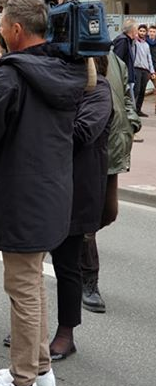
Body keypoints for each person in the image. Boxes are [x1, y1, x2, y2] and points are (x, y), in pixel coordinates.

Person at [0, 0, 87, 386]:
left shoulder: (12, 74)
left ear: (14, 29)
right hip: (51, 193)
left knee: (23, 288)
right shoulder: (67, 69)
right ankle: (40, 367)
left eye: (1, 26)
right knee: (32, 284)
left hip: (22, 197)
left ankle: (24, 377)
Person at [49, 56, 112, 361]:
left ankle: (66, 333)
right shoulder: (56, 85)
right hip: (44, 185)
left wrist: (42, 122)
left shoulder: (99, 90)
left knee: (67, 265)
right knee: (29, 265)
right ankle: (30, 326)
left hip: (77, 191)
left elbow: (83, 132)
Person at [81, 51, 141, 314]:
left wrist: (132, 120)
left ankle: (69, 245)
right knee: (88, 219)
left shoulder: (115, 59)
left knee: (109, 212)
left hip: (113, 147)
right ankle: (89, 282)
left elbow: (127, 95)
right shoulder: (77, 53)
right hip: (86, 150)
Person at [113, 19, 137, 104]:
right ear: (133, 30)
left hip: (127, 78)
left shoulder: (128, 41)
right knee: (129, 104)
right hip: (124, 79)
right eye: (136, 29)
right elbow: (117, 60)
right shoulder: (123, 41)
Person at [133, 23, 155, 117]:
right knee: (136, 90)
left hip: (145, 70)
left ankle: (138, 110)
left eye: (144, 31)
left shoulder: (146, 44)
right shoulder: (134, 43)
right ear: (138, 31)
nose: (142, 32)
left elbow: (149, 58)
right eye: (140, 31)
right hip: (136, 68)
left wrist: (152, 70)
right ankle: (132, 110)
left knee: (142, 91)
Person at [146, 24, 156, 113]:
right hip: (145, 68)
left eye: (154, 32)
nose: (152, 33)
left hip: (155, 69)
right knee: (140, 89)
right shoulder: (144, 41)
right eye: (151, 31)